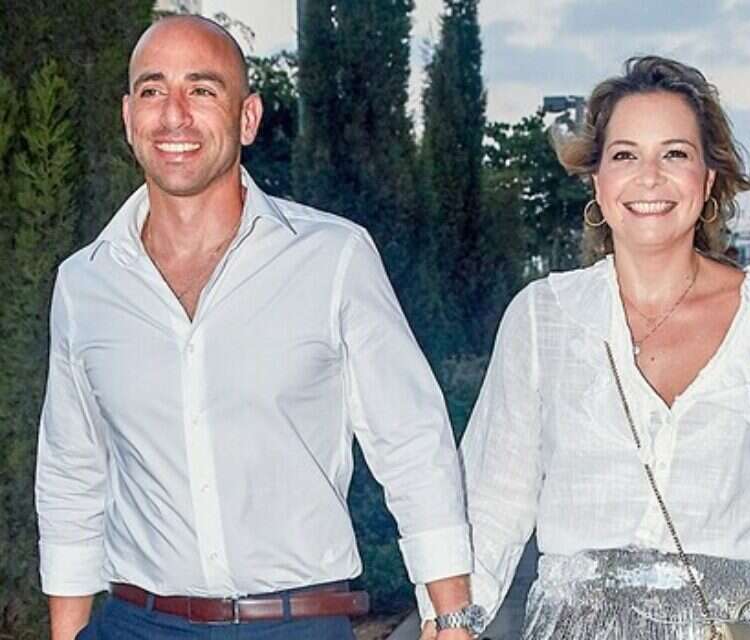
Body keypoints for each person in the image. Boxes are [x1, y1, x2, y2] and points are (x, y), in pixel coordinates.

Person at [419, 56, 750, 639]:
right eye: (625, 155)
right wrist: (454, 618)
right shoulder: (544, 318)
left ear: (708, 180)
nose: (649, 177)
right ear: (597, 182)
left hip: (739, 622)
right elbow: (497, 493)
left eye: (674, 154)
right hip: (579, 625)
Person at [35, 15, 477, 640]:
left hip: (296, 624)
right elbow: (71, 472)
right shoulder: (85, 284)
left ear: (247, 117)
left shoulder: (333, 257)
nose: (174, 114)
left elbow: (411, 444)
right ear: (129, 117)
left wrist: (452, 618)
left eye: (202, 89)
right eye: (153, 90)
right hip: (137, 623)